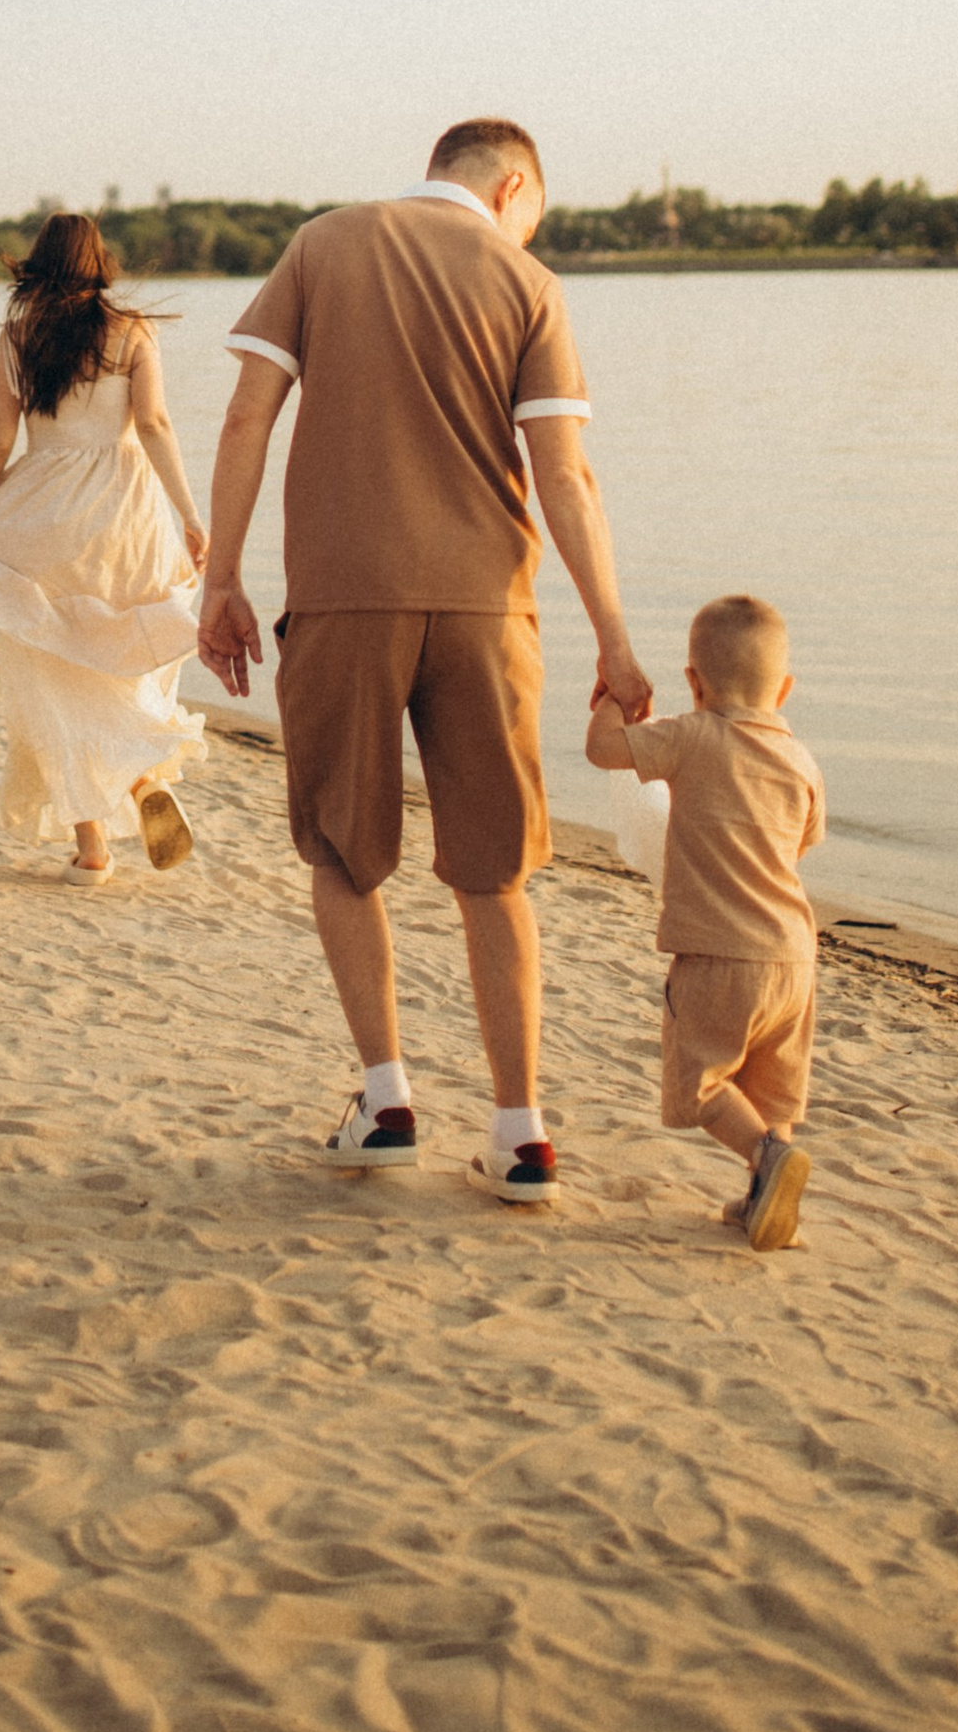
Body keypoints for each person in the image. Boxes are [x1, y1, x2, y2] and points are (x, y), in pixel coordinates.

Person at [196, 119, 651, 1204]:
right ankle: (521, 1134)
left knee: (343, 853)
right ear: (514, 185)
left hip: (343, 595)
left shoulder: (323, 244)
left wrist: (221, 579)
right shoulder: (529, 283)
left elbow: (246, 420)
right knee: (495, 873)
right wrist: (614, 635)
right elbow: (565, 477)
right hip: (488, 607)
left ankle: (387, 1100)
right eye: (536, 213)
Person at [0, 214, 207, 879]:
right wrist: (191, 515)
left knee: (46, 675)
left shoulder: (19, 336)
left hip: (41, 513)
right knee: (123, 655)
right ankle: (139, 775)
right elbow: (154, 424)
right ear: (99, 262)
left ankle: (94, 848)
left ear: (38, 262)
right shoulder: (132, 331)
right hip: (125, 513)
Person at [585, 592, 822, 1253]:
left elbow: (602, 751)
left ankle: (769, 1158)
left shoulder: (690, 736)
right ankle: (766, 1196)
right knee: (772, 1092)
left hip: (719, 953)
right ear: (785, 688)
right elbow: (803, 842)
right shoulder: (802, 761)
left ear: (693, 682)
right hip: (795, 957)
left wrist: (612, 699)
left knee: (702, 1082)